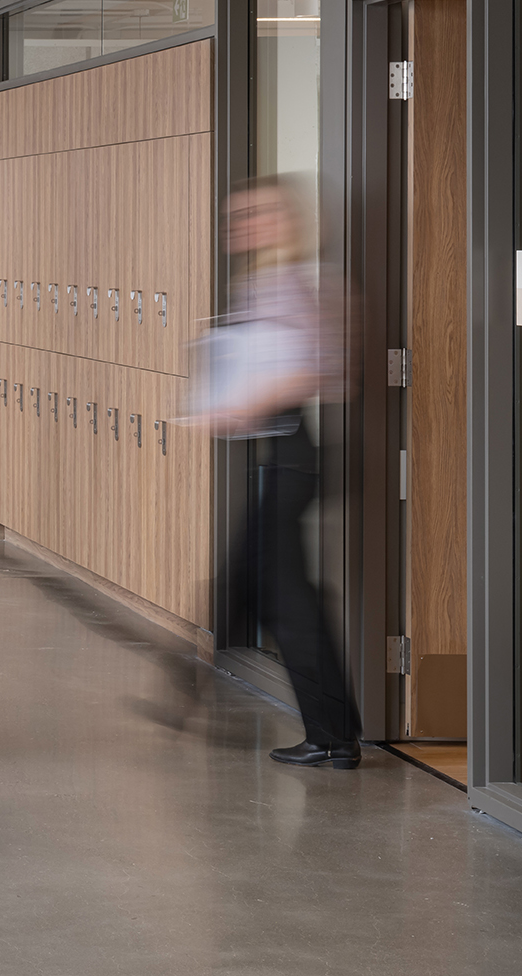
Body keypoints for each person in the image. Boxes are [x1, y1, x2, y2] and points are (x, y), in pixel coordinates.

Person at [193, 175, 361, 769]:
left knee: (280, 597)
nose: (243, 226)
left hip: (293, 457)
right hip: (281, 454)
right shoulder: (263, 281)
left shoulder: (289, 284)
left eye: (256, 214)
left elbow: (320, 367)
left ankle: (332, 735)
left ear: (286, 220)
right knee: (267, 589)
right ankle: (333, 729)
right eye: (236, 216)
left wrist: (242, 405)